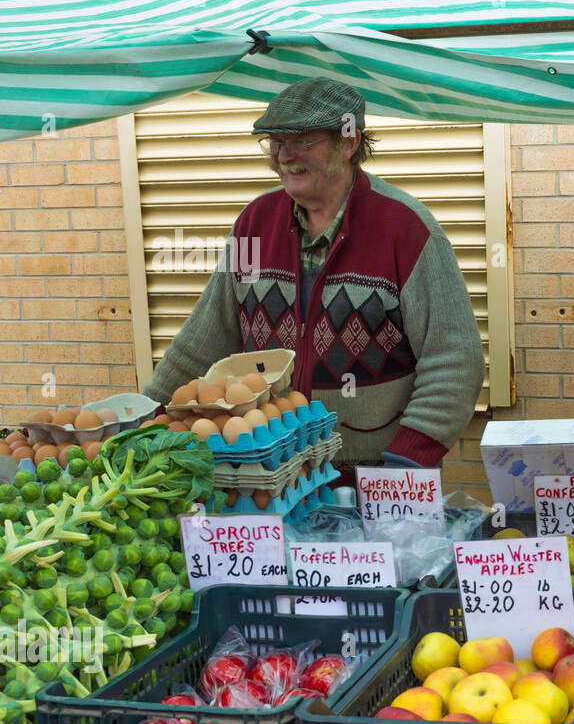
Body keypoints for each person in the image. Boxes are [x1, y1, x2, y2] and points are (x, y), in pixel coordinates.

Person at [144, 78, 484, 471]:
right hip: (271, 471)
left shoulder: (405, 229)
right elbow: (201, 344)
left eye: (301, 141)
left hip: (377, 471)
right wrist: (146, 418)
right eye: (275, 142)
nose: (284, 156)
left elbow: (455, 360)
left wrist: (407, 458)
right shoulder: (254, 224)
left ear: (349, 142)